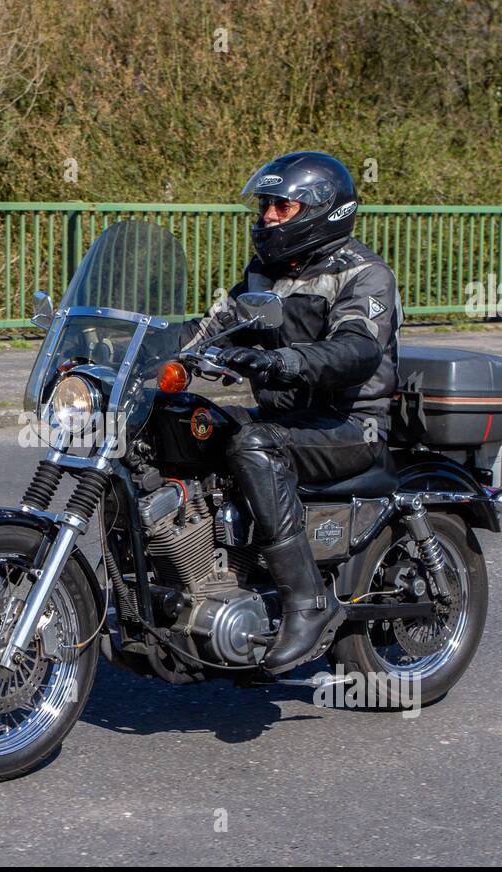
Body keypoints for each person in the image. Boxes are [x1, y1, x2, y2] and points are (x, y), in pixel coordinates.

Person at [182, 151, 402, 674]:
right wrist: (128, 349)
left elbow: (357, 349)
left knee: (253, 444)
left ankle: (307, 602)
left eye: (282, 206)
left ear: (323, 211)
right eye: (265, 206)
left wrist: (283, 360)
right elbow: (212, 327)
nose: (268, 218)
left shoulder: (364, 275)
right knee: (180, 423)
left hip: (350, 426)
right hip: (289, 420)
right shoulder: (265, 274)